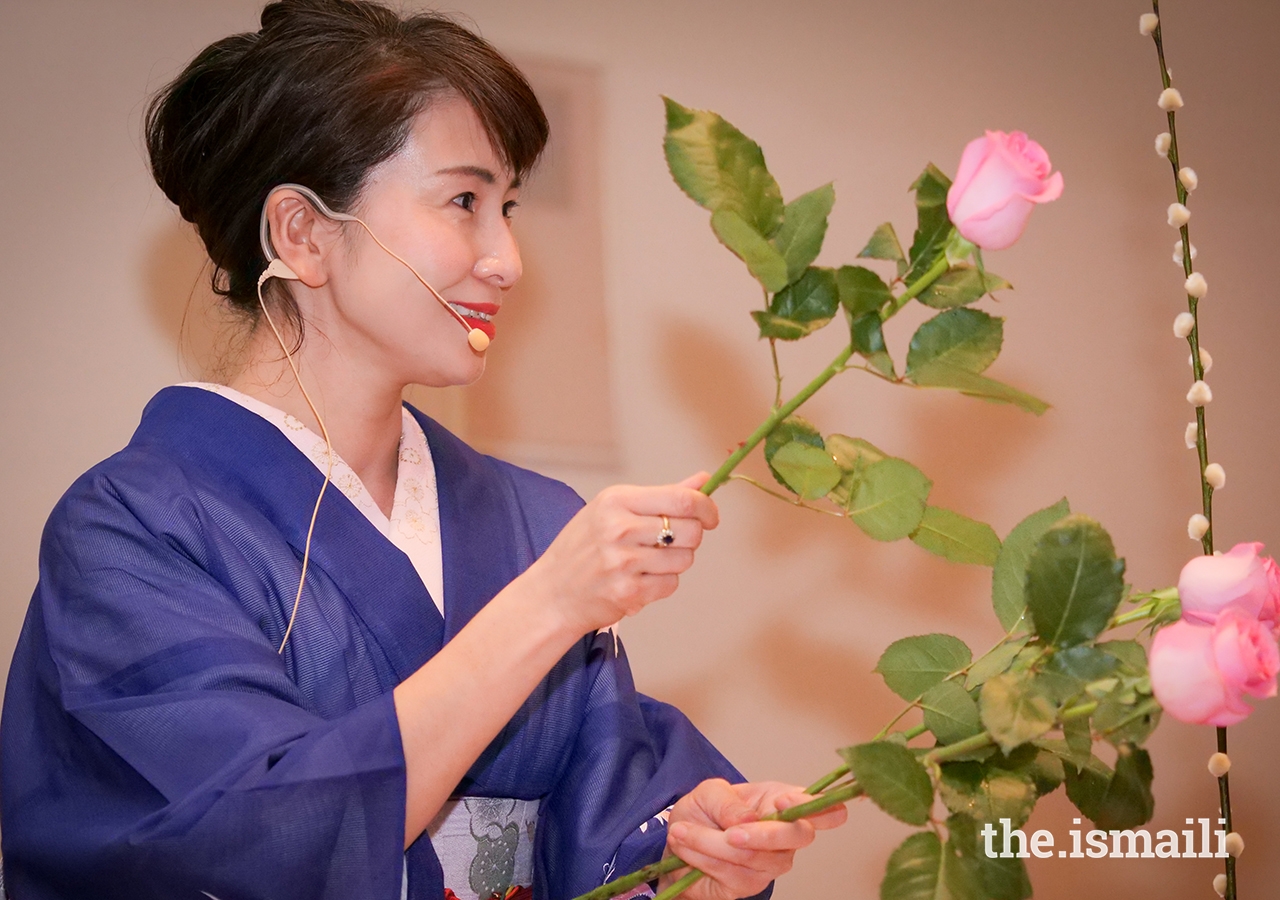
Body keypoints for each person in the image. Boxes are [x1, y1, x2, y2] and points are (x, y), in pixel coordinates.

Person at [0, 2, 845, 899]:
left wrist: (685, 855)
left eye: (508, 207)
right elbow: (255, 832)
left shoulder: (530, 516)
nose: (509, 259)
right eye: (465, 201)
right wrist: (546, 605)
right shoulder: (134, 529)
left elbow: (605, 811)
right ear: (302, 233)